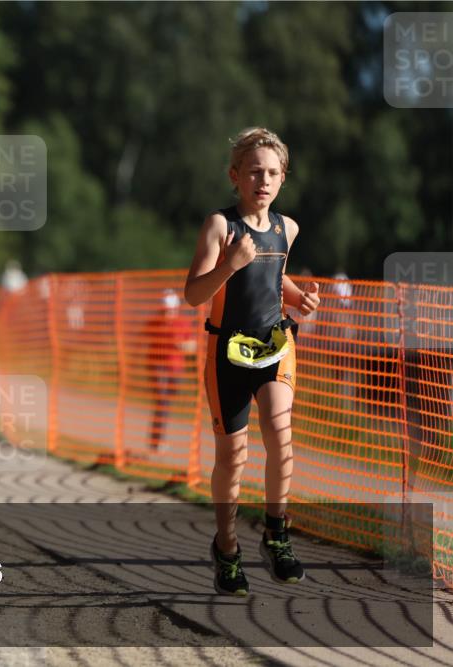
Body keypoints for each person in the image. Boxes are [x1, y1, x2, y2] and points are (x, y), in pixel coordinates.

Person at [184, 127, 319, 596]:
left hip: (274, 346)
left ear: (283, 179)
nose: (263, 180)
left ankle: (277, 535)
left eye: (272, 173)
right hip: (227, 353)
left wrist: (299, 296)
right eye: (254, 172)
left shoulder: (288, 228)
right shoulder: (220, 227)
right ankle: (226, 547)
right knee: (232, 457)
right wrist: (230, 264)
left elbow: (274, 277)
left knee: (281, 436)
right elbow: (193, 294)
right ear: (235, 176)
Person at [145, 289, 195, 450]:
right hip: (158, 367)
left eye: (170, 311)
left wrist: (184, 346)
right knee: (162, 402)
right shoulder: (154, 322)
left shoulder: (183, 322)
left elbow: (192, 345)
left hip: (176, 368)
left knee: (166, 403)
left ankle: (158, 438)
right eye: (164, 311)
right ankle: (157, 440)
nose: (167, 314)